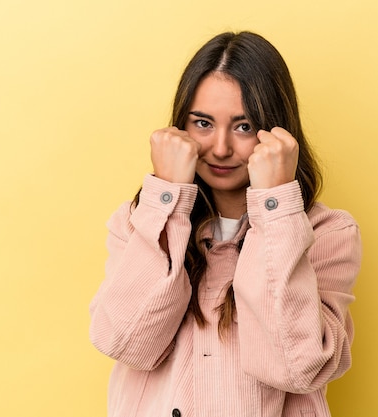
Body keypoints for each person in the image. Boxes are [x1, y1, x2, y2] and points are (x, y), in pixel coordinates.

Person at [89, 31, 362, 417]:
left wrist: (276, 205)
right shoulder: (139, 221)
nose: (219, 148)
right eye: (202, 123)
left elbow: (296, 366)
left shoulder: (327, 233)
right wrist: (166, 196)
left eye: (244, 126)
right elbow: (125, 341)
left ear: (277, 133)